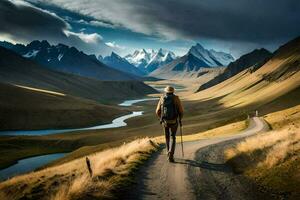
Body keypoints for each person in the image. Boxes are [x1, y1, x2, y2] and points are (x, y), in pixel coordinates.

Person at [156, 86, 183, 162]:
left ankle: (168, 152)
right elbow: (181, 111)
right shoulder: (176, 98)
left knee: (167, 137)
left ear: (166, 91)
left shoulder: (162, 98)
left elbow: (157, 111)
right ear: (173, 91)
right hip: (174, 121)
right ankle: (171, 154)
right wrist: (180, 119)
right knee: (173, 137)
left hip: (165, 122)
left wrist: (162, 118)